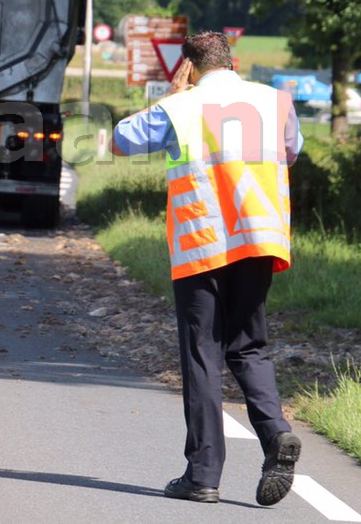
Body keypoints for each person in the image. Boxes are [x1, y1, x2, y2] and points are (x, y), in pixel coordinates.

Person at [112, 31, 303, 506]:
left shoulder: (181, 105)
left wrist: (176, 96)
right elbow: (291, 151)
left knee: (203, 354)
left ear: (190, 68)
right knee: (249, 346)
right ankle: (276, 432)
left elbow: (119, 142)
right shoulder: (275, 102)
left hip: (202, 244)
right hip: (259, 240)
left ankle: (203, 476)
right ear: (233, 62)